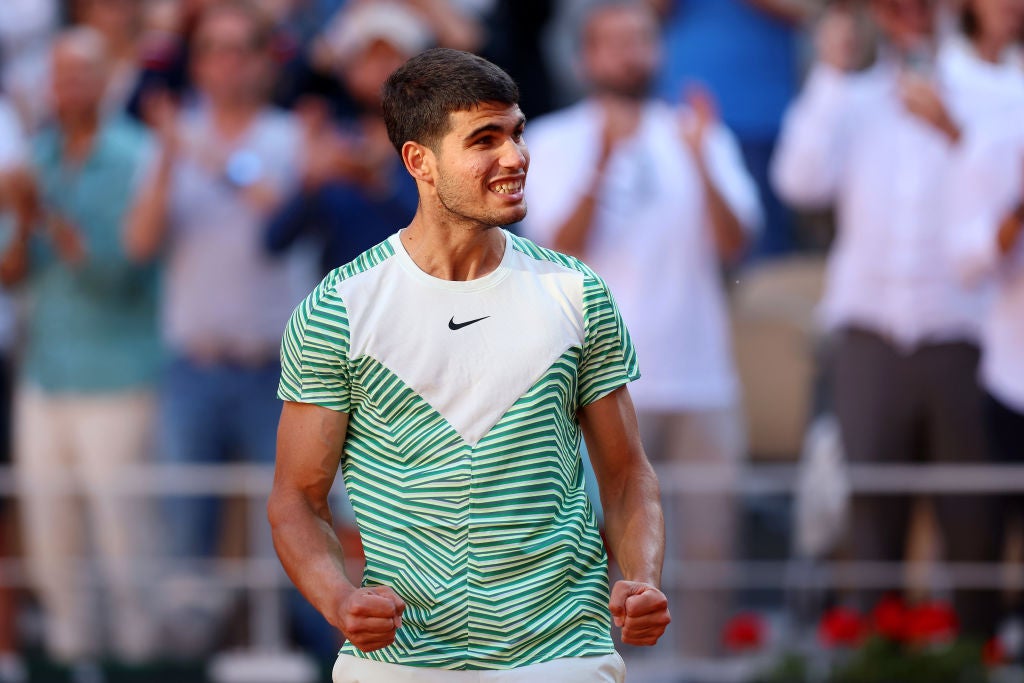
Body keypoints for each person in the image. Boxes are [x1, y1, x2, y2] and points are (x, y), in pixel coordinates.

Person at [267, 47, 671, 682]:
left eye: (516, 132)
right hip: (401, 663)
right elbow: (297, 498)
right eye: (485, 139)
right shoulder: (339, 307)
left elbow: (625, 477)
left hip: (563, 653)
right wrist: (340, 600)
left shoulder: (577, 291)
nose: (515, 158)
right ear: (419, 162)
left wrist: (641, 579)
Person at [771, 0, 1024, 635]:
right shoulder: (851, 99)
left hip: (966, 333)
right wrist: (831, 73)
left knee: (974, 521)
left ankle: (976, 660)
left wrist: (951, 126)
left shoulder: (997, 92)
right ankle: (876, 662)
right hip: (870, 332)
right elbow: (800, 184)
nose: (908, 14)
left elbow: (1006, 202)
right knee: (873, 517)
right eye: (893, 5)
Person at [520, 1, 761, 659]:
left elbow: (735, 243)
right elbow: (554, 249)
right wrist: (602, 161)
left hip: (701, 376)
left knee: (711, 548)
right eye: (614, 42)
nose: (629, 53)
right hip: (598, 386)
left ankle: (703, 669)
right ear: (586, 57)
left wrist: (702, 163)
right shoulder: (552, 138)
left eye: (640, 40)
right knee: (600, 553)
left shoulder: (699, 131)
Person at [123, 0, 314, 654]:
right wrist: (171, 158)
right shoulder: (168, 144)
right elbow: (139, 243)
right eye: (213, 50)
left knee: (295, 538)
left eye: (240, 49)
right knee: (186, 541)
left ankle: (306, 659)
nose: (226, 63)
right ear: (197, 63)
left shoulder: (291, 138)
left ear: (265, 61)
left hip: (278, 370)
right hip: (192, 367)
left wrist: (200, 150)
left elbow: (279, 222)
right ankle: (188, 663)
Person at [0, 27, 160, 667]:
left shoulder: (135, 155)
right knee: (50, 543)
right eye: (59, 74)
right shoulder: (35, 155)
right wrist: (22, 220)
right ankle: (70, 658)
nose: (67, 86)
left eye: (80, 74)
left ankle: (141, 662)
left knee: (126, 542)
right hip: (46, 373)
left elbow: (117, 273)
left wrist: (44, 214)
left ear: (103, 82)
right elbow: (11, 272)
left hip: (117, 373)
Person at [264, 1, 424, 274]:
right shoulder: (329, 140)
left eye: (391, 56)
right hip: (346, 309)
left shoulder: (437, 140)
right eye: (367, 58)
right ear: (349, 71)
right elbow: (275, 241)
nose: (380, 70)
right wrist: (311, 183)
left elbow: (455, 230)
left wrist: (381, 180)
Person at [947, 105, 1024, 629]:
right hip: (1010, 379)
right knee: (989, 534)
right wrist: (1016, 211)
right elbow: (967, 262)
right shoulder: (1000, 140)